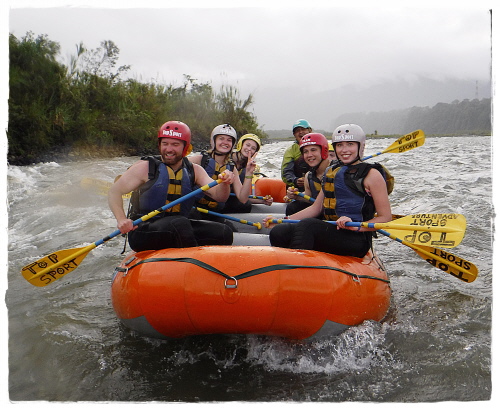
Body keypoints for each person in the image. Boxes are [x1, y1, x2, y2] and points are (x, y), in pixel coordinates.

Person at [265, 124, 392, 258]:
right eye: (339, 145)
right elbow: (316, 208)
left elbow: (385, 218)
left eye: (350, 144)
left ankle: (296, 269)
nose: (344, 150)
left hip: (357, 237)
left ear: (361, 146)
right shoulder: (331, 172)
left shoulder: (372, 175)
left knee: (308, 226)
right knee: (279, 231)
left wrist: (357, 226)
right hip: (333, 229)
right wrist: (283, 220)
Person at [108, 120, 235, 252]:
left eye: (175, 144)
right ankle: (191, 263)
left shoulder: (195, 170)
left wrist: (225, 183)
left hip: (178, 228)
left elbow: (220, 197)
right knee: (179, 224)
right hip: (143, 230)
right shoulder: (145, 168)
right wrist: (121, 219)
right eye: (165, 144)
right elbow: (114, 192)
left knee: (223, 232)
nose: (169, 149)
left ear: (185, 148)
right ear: (159, 145)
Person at [188, 124, 257, 221]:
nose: (225, 142)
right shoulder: (199, 160)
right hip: (194, 208)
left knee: (227, 231)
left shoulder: (232, 168)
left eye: (229, 140)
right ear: (214, 141)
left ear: (233, 144)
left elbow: (243, 199)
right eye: (221, 138)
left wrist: (249, 173)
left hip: (214, 211)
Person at [284, 133, 331, 216]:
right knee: (293, 207)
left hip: (336, 218)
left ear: (324, 151)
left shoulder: (335, 172)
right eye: (305, 152)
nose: (309, 155)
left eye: (313, 150)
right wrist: (296, 196)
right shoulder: (308, 176)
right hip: (319, 212)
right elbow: (309, 197)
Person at [224, 133, 273, 213]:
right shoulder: (226, 159)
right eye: (247, 145)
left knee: (245, 205)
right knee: (244, 205)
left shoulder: (249, 167)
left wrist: (263, 201)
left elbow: (244, 195)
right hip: (220, 198)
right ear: (241, 145)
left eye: (253, 148)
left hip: (235, 198)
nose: (249, 149)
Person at [280, 119, 313, 191]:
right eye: (297, 131)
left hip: (316, 184)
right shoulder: (291, 151)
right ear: (294, 135)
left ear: (310, 131)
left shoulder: (320, 146)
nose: (300, 132)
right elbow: (286, 171)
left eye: (303, 129)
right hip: (298, 188)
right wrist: (295, 180)